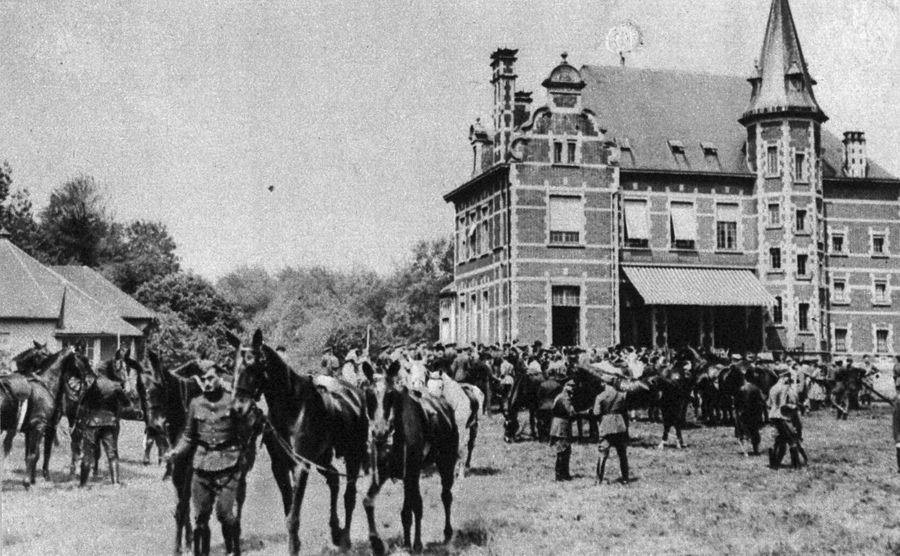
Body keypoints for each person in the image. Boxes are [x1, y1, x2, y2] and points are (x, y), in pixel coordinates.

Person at [166, 361, 262, 556]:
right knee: (200, 516)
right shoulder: (196, 404)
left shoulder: (233, 402)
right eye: (204, 379)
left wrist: (254, 419)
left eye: (210, 378)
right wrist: (176, 452)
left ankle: (232, 550)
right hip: (201, 465)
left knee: (224, 514)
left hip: (228, 465)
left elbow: (249, 428)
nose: (207, 382)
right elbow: (188, 435)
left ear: (219, 379)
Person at [78, 371, 130, 487]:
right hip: (109, 422)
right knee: (112, 454)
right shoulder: (116, 385)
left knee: (87, 454)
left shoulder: (93, 385)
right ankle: (115, 483)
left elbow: (81, 402)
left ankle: (82, 484)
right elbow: (127, 403)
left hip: (92, 422)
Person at [593, 376, 630, 485]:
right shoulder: (621, 396)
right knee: (622, 454)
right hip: (619, 425)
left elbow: (596, 413)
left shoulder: (600, 397)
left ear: (604, 383)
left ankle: (598, 480)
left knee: (602, 453)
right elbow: (624, 412)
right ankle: (625, 478)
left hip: (606, 425)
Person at [768, 372, 804, 469]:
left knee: (777, 441)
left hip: (773, 416)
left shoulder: (773, 388)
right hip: (784, 417)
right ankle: (796, 465)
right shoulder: (786, 389)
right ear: (784, 377)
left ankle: (774, 463)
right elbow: (784, 405)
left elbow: (769, 403)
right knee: (792, 440)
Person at [549, 380, 576, 481]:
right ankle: (561, 474)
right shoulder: (566, 398)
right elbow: (571, 413)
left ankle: (562, 473)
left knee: (563, 450)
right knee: (563, 450)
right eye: (571, 387)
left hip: (557, 424)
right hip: (562, 426)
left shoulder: (559, 396)